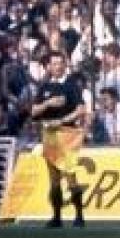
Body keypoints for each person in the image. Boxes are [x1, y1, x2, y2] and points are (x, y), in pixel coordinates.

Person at [29, 51, 88, 228]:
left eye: (60, 63)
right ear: (48, 66)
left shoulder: (71, 86)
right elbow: (33, 112)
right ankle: (56, 217)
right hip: (49, 134)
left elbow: (81, 110)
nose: (58, 67)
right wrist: (48, 103)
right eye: (54, 64)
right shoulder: (44, 87)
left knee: (70, 174)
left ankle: (79, 216)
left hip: (67, 133)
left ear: (65, 65)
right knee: (53, 177)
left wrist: (61, 120)